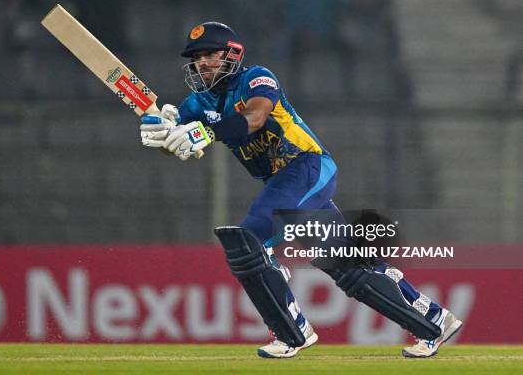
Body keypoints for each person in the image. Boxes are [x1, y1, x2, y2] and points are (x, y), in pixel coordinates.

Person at [139, 22, 462, 358]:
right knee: (349, 266)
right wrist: (162, 134)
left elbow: (255, 117)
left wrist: (204, 132)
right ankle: (436, 321)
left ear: (232, 54)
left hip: (307, 168)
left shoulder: (256, 78)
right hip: (282, 182)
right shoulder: (197, 103)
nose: (202, 62)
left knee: (250, 239)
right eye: (197, 57)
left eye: (210, 54)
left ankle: (292, 333)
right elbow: (182, 143)